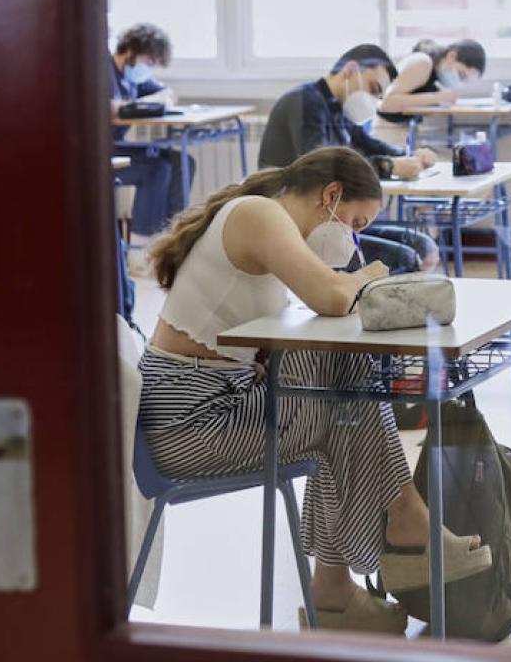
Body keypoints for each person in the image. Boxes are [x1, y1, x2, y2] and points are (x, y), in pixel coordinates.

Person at [137, 147, 492, 633]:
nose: (355, 237)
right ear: (330, 197)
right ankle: (391, 532)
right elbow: (328, 297)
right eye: (357, 223)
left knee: (342, 397)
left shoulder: (264, 215)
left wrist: (349, 283)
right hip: (191, 423)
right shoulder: (260, 214)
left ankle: (342, 581)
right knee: (339, 383)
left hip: (208, 405)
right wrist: (368, 274)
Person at [258, 44, 444, 273]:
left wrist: (411, 155)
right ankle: (363, 305)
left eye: (379, 96)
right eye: (373, 89)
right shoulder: (305, 101)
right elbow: (326, 169)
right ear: (350, 69)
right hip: (301, 226)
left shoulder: (335, 108)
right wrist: (390, 166)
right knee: (405, 258)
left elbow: (367, 143)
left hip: (332, 220)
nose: (374, 100)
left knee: (423, 245)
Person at [111, 22, 192, 238]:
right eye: (149, 61)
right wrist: (135, 106)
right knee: (156, 169)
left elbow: (168, 94)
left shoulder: (132, 80)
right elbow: (108, 108)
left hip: (120, 147)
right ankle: (141, 245)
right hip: (102, 153)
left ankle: (174, 238)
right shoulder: (103, 71)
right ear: (130, 50)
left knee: (183, 162)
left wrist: (157, 99)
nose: (149, 68)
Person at [377, 38, 489, 126]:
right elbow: (387, 104)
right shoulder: (423, 62)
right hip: (385, 129)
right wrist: (438, 98)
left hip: (402, 129)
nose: (459, 82)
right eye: (461, 75)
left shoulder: (435, 77)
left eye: (465, 80)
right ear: (452, 56)